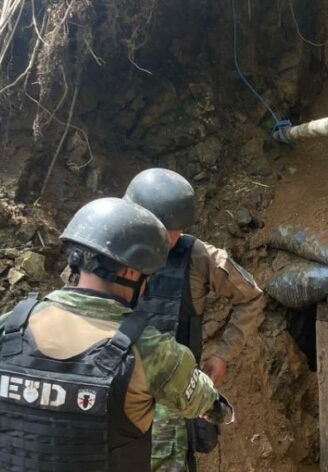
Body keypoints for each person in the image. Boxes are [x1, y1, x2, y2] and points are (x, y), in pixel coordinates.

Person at [0, 197, 233, 472]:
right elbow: (205, 402)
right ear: (130, 271)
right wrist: (221, 410)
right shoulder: (149, 349)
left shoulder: (11, 327)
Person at [123, 168, 263, 472]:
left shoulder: (198, 256)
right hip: (116, 396)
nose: (173, 237)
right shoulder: (107, 250)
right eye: (164, 228)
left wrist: (225, 354)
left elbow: (250, 297)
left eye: (178, 228)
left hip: (173, 403)